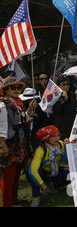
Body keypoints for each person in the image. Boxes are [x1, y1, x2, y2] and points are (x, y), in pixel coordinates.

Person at [0, 77, 30, 207]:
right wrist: (3, 146)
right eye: (13, 87)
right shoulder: (3, 104)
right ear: (5, 90)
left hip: (19, 145)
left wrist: (30, 111)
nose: (17, 90)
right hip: (9, 144)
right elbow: (1, 127)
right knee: (8, 176)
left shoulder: (18, 104)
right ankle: (7, 203)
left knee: (16, 174)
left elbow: (22, 120)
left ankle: (14, 198)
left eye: (18, 87)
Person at [27, 125, 70, 207]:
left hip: (54, 173)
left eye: (58, 135)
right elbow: (33, 171)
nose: (57, 138)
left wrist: (67, 147)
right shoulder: (41, 149)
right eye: (54, 136)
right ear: (46, 138)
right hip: (43, 174)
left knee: (71, 174)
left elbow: (65, 161)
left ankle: (51, 185)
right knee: (34, 174)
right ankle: (36, 197)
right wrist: (43, 186)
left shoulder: (60, 144)